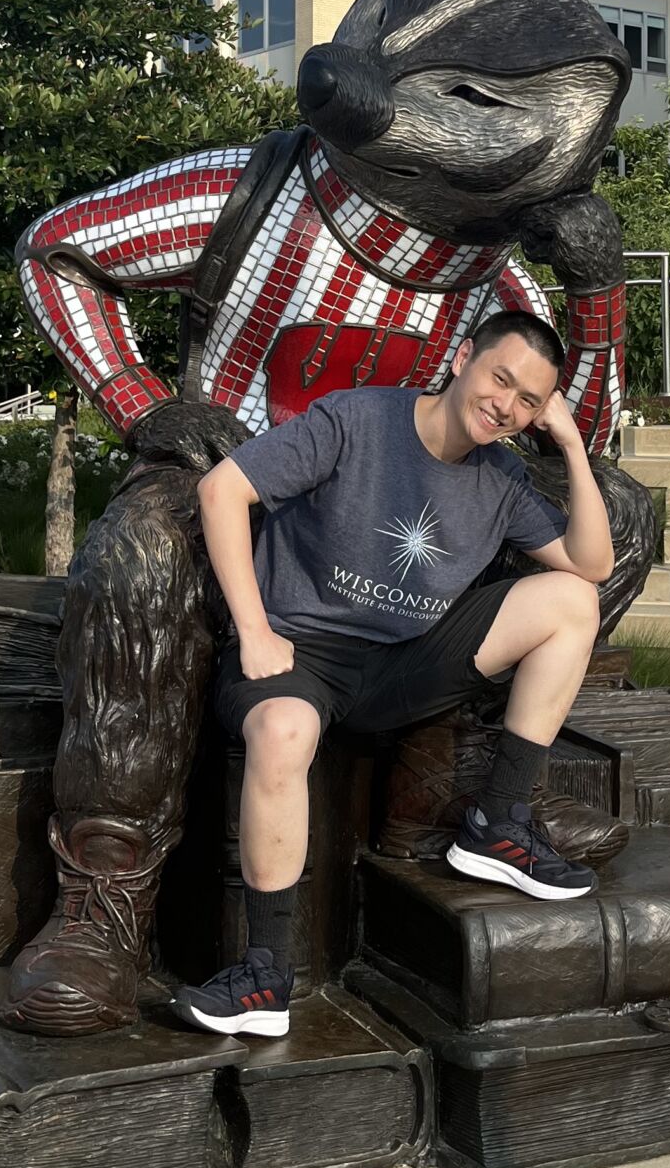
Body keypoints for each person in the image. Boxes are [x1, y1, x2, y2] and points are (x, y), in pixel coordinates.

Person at [172, 308, 615, 1038]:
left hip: (401, 666)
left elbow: (591, 564)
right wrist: (253, 632)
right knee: (282, 731)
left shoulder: (501, 478)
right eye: (500, 379)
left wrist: (569, 442)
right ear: (462, 356)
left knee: (571, 600)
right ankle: (265, 976)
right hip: (299, 655)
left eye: (529, 401)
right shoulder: (356, 420)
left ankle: (497, 823)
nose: (506, 406)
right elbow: (223, 491)